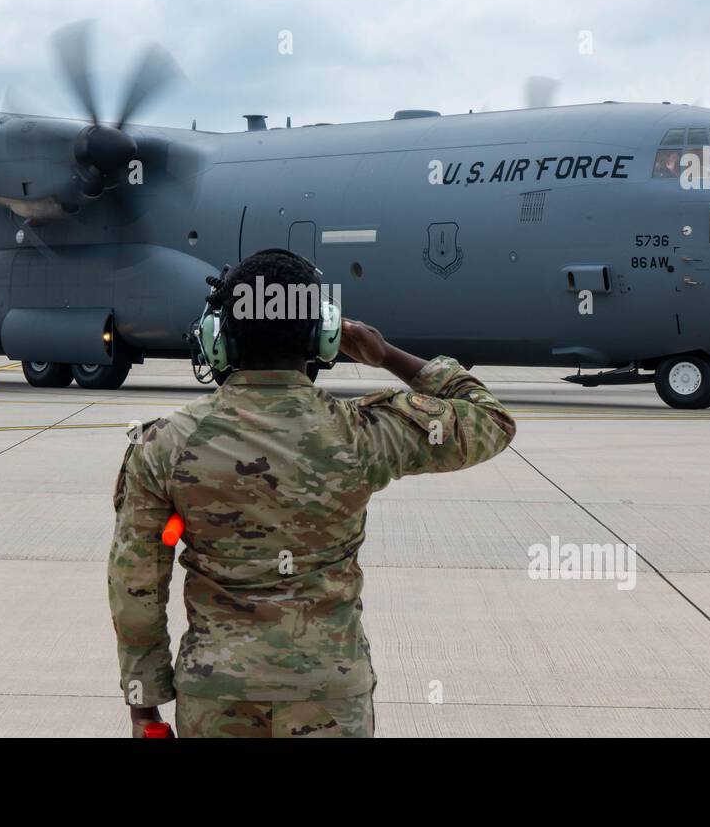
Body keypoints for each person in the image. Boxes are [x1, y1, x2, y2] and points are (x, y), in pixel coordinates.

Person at [107, 248, 516, 737]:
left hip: (217, 697)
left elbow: (136, 585)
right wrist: (385, 356)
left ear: (220, 338)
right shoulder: (363, 431)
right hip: (330, 697)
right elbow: (490, 418)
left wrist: (144, 708)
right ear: (323, 336)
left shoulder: (164, 445)